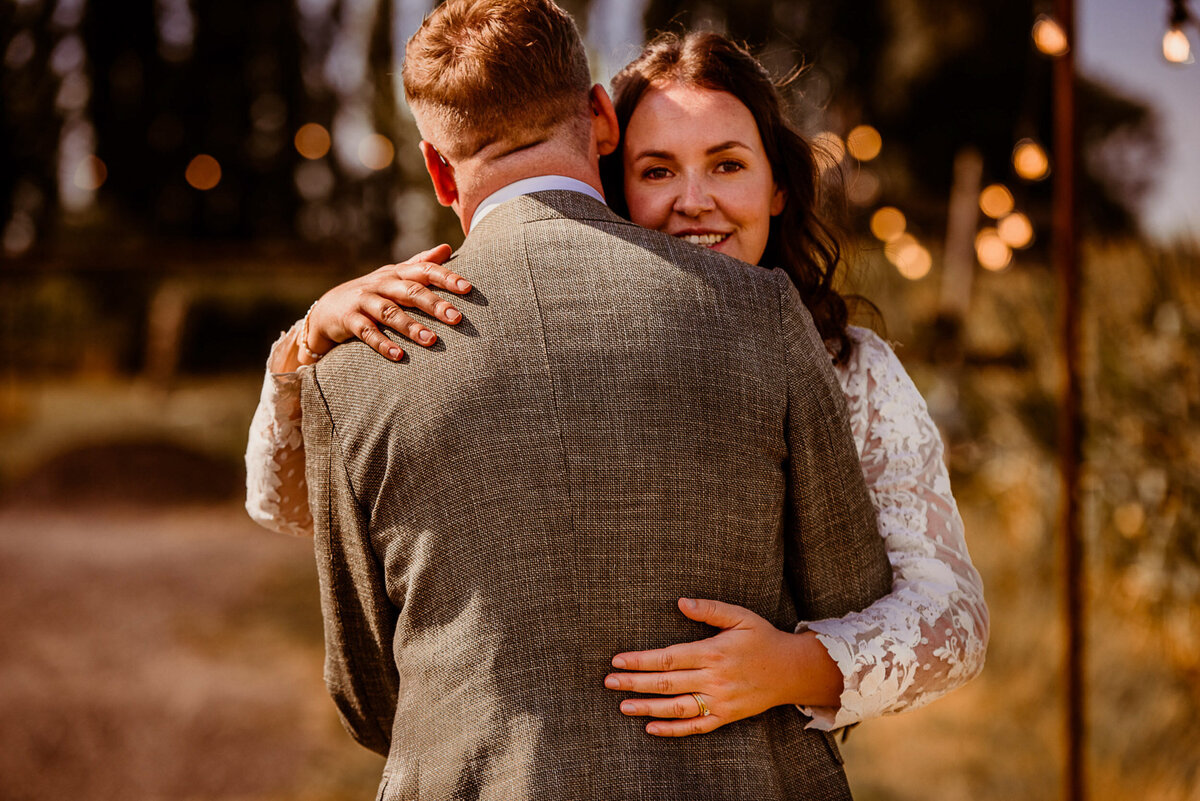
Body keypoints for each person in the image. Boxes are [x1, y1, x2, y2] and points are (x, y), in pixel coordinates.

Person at [246, 25, 988, 740]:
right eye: (657, 170)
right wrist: (307, 347)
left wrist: (795, 666)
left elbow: (951, 614)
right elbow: (301, 504)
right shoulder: (516, 332)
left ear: (778, 187)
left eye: (727, 164)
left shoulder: (848, 366)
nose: (693, 200)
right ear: (611, 176)